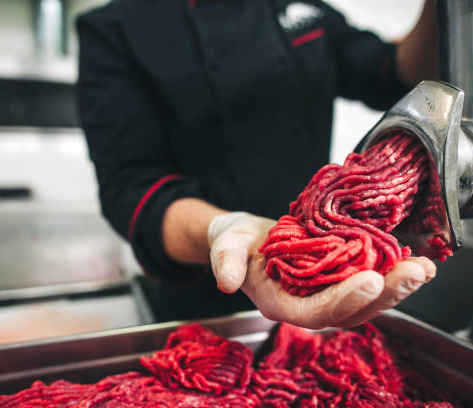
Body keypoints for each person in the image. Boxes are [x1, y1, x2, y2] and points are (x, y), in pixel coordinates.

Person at [76, 0, 438, 325]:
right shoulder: (115, 29)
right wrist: (223, 230)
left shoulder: (304, 10)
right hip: (204, 298)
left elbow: (396, 75)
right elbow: (133, 188)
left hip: (324, 266)